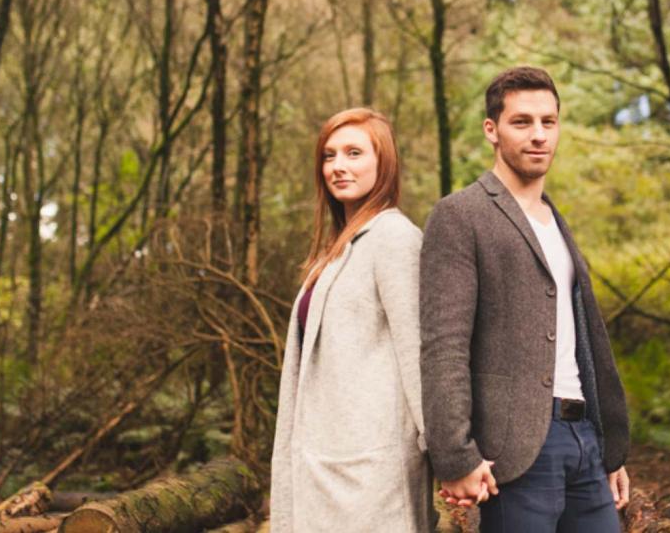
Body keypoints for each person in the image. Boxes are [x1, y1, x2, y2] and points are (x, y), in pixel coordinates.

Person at [420, 66, 631, 532]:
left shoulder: (557, 221)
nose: (539, 136)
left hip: (585, 441)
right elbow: (443, 346)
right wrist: (455, 455)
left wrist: (611, 447)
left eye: (548, 122)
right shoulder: (460, 215)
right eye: (522, 122)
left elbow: (586, 341)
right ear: (491, 130)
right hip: (515, 452)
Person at [270, 108, 432, 533]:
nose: (338, 166)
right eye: (329, 155)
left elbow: (419, 355)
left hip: (371, 480)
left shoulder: (395, 239)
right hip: (320, 470)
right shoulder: (336, 251)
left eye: (354, 153)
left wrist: (445, 451)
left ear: (385, 163)